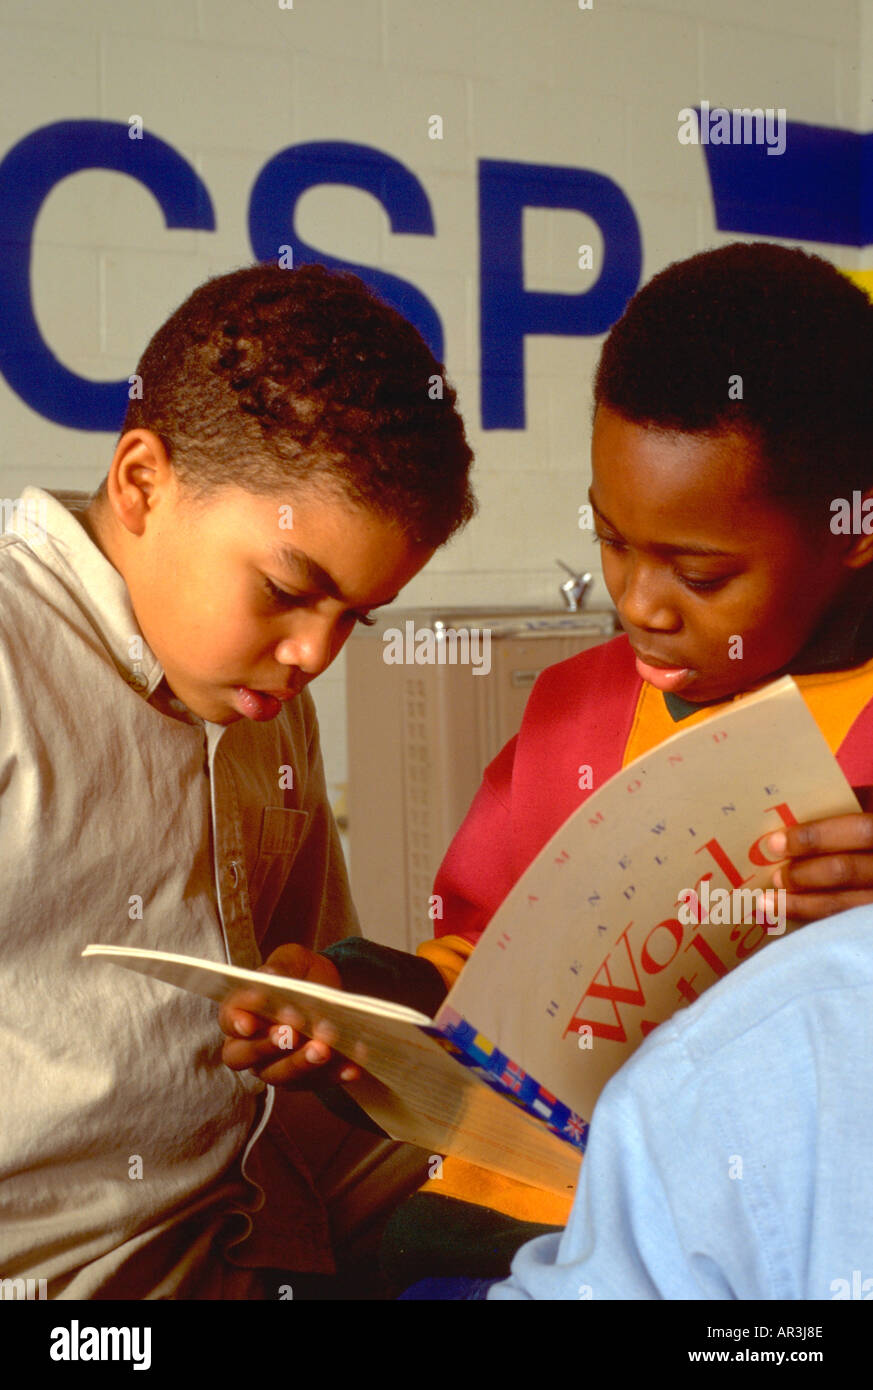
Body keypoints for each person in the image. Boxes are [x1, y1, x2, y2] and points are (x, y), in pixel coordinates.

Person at [226, 242, 873, 1288]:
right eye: (614, 540)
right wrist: (355, 1001)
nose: (640, 602)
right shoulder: (576, 708)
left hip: (734, 1251)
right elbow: (485, 973)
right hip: (489, 1223)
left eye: (703, 573)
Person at [0, 260, 474, 1299]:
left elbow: (306, 981)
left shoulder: (265, 699)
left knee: (608, 1139)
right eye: (289, 589)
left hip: (257, 1211)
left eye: (355, 614)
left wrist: (322, 1010)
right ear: (141, 483)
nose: (315, 654)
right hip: (77, 1278)